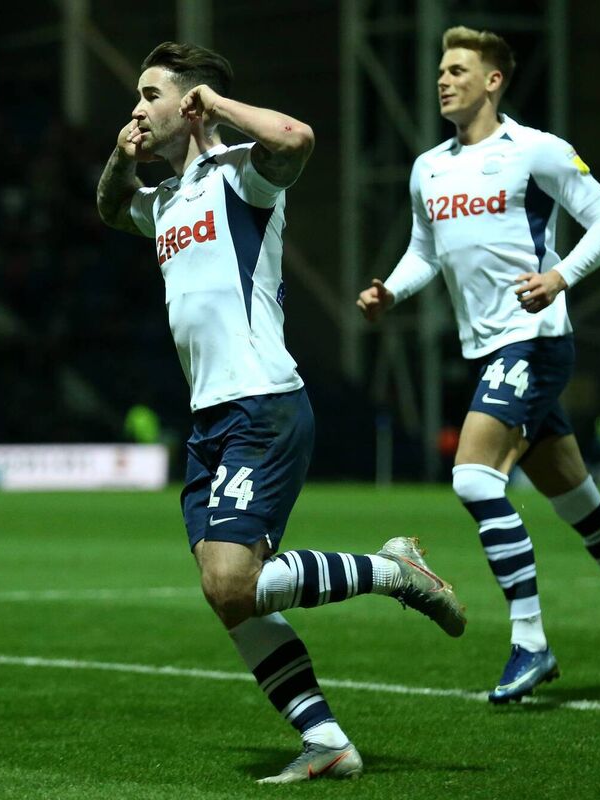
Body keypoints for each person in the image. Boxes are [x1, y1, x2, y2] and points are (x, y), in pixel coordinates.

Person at [96, 42, 466, 783]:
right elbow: (110, 209)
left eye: (150, 94)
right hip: (209, 419)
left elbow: (297, 139)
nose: (135, 108)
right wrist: (118, 156)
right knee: (227, 596)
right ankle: (325, 741)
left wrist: (221, 110)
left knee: (235, 584)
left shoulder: (242, 178)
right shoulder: (165, 199)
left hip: (260, 401)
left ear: (191, 103)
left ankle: (391, 570)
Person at [357, 26, 600, 705]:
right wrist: (390, 290)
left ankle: (531, 643)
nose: (443, 79)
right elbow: (425, 251)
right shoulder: (428, 167)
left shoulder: (536, 151)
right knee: (581, 505)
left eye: (458, 69)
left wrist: (560, 277)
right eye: (440, 70)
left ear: (494, 81)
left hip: (534, 338)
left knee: (473, 476)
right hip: (489, 347)